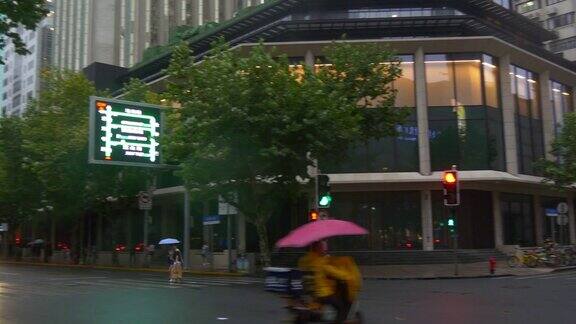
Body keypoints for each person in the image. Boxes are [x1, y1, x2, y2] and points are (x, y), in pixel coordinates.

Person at [298, 241, 358, 323]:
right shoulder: (321, 262)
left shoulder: (304, 261)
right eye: (322, 248)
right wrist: (349, 276)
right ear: (317, 249)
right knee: (341, 307)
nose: (324, 250)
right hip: (324, 294)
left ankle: (312, 315)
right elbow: (336, 273)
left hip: (311, 291)